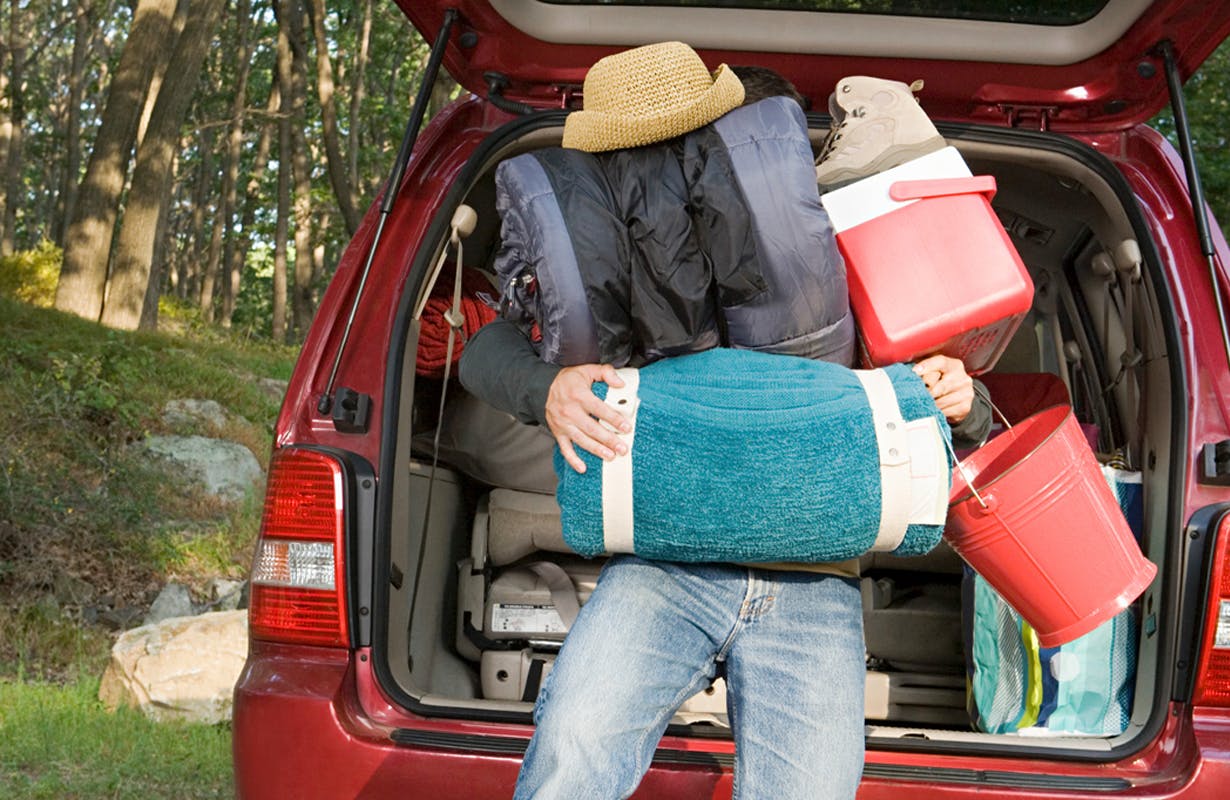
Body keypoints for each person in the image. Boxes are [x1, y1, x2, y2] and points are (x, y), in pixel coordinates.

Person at [461, 43, 990, 800]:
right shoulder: (599, 247)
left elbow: (949, 395)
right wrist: (547, 388)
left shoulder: (817, 223)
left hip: (812, 579)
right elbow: (485, 351)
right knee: (574, 750)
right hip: (662, 565)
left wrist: (961, 398)